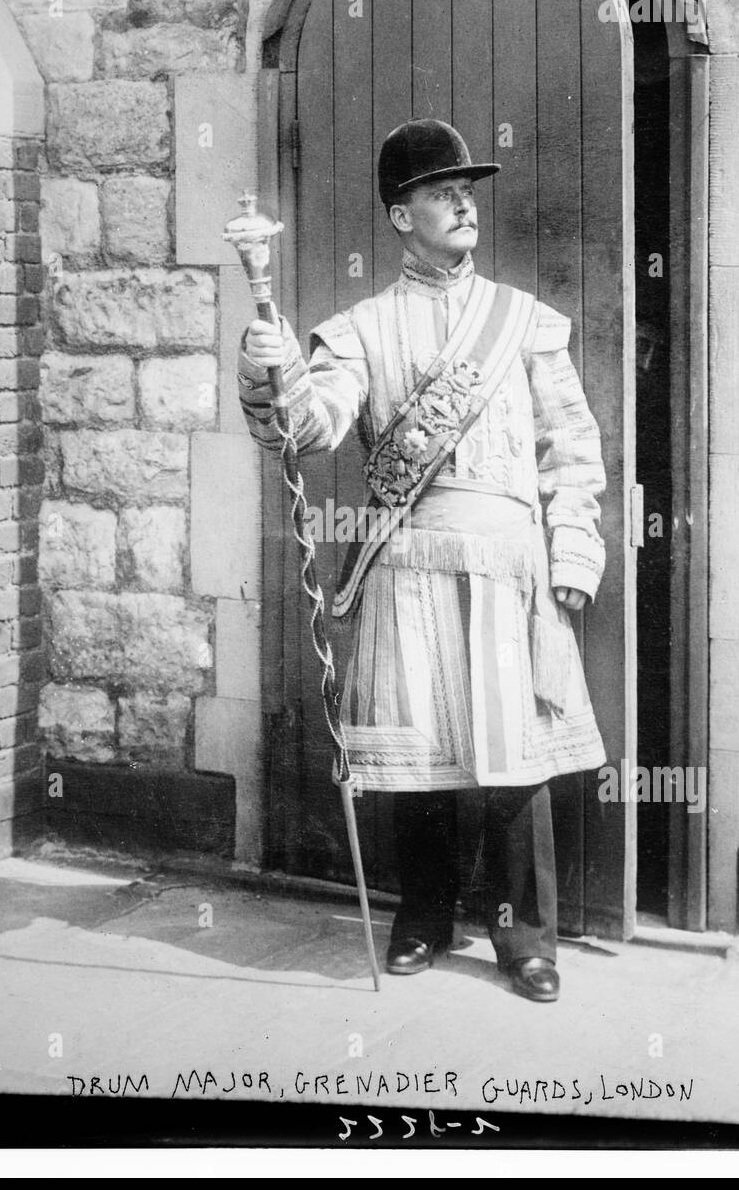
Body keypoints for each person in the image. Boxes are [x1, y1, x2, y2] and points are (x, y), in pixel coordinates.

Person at [237, 119, 607, 1003]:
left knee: (517, 756)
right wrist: (273, 367)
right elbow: (311, 428)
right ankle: (423, 919)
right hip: (409, 563)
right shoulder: (362, 328)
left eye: (466, 191)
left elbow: (573, 447)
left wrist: (574, 550)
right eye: (441, 192)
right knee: (422, 755)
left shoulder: (523, 322)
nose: (462, 203)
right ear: (400, 216)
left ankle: (526, 939)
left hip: (513, 562)